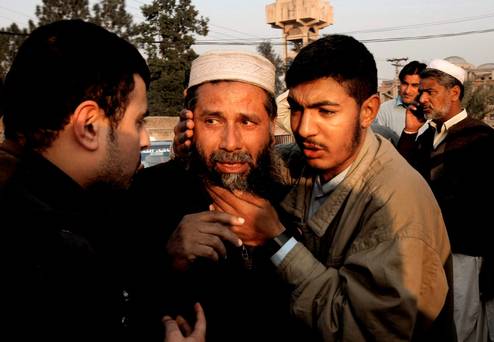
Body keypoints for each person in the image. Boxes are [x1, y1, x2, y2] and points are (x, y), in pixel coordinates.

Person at [175, 35, 456, 341]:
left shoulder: (397, 206)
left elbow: (367, 330)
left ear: (368, 111)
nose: (304, 129)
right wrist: (193, 148)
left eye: (326, 111)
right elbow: (245, 162)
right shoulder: (303, 163)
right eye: (297, 108)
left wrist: (278, 241)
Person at [0, 19, 204, 342]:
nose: (147, 140)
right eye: (138, 122)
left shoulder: (65, 208)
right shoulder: (51, 259)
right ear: (89, 126)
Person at [129, 50, 315, 341]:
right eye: (213, 121)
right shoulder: (147, 194)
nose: (230, 143)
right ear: (189, 121)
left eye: (247, 122)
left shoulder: (295, 196)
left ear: (270, 126)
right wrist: (170, 260)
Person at [397, 58, 494, 342]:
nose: (422, 99)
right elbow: (402, 178)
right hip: (431, 250)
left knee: (462, 327)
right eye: (421, 92)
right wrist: (411, 131)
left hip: (465, 253)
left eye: (430, 92)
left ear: (454, 93)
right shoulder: (427, 137)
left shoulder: (481, 139)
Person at [372, 60, 427, 144]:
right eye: (405, 84)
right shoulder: (384, 111)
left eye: (414, 85)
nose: (407, 91)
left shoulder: (431, 111)